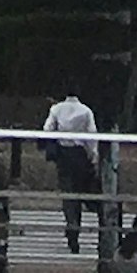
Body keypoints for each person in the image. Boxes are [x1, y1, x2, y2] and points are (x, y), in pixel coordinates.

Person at [41, 85, 102, 257]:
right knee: (80, 193)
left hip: (64, 156)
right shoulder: (86, 111)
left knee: (68, 194)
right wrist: (93, 156)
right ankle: (78, 226)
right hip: (80, 156)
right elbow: (92, 135)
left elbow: (47, 129)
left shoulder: (57, 109)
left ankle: (72, 228)